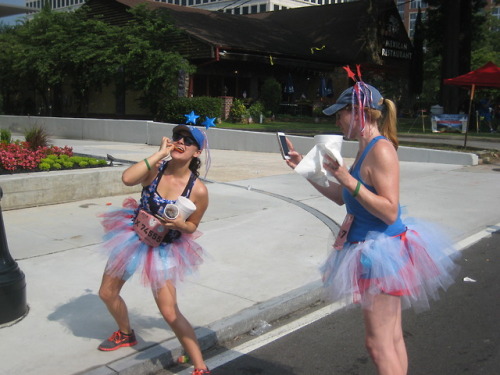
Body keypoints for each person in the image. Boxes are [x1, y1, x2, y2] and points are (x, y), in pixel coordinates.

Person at [284, 80, 459, 375]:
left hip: (380, 253)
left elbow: (390, 210)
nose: (338, 120)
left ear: (360, 112)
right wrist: (305, 170)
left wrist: (345, 177)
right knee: (390, 339)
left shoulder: (381, 150)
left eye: (341, 113)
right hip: (372, 250)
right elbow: (344, 198)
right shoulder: (365, 149)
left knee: (378, 345)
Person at [97, 124, 211, 375]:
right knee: (106, 293)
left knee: (169, 312)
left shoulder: (198, 190)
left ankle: (200, 366)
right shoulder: (156, 170)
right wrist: (159, 154)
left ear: (196, 152)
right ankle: (126, 333)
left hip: (163, 249)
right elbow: (127, 178)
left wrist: (181, 224)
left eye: (188, 141)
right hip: (132, 238)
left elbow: (192, 226)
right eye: (177, 137)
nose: (180, 142)